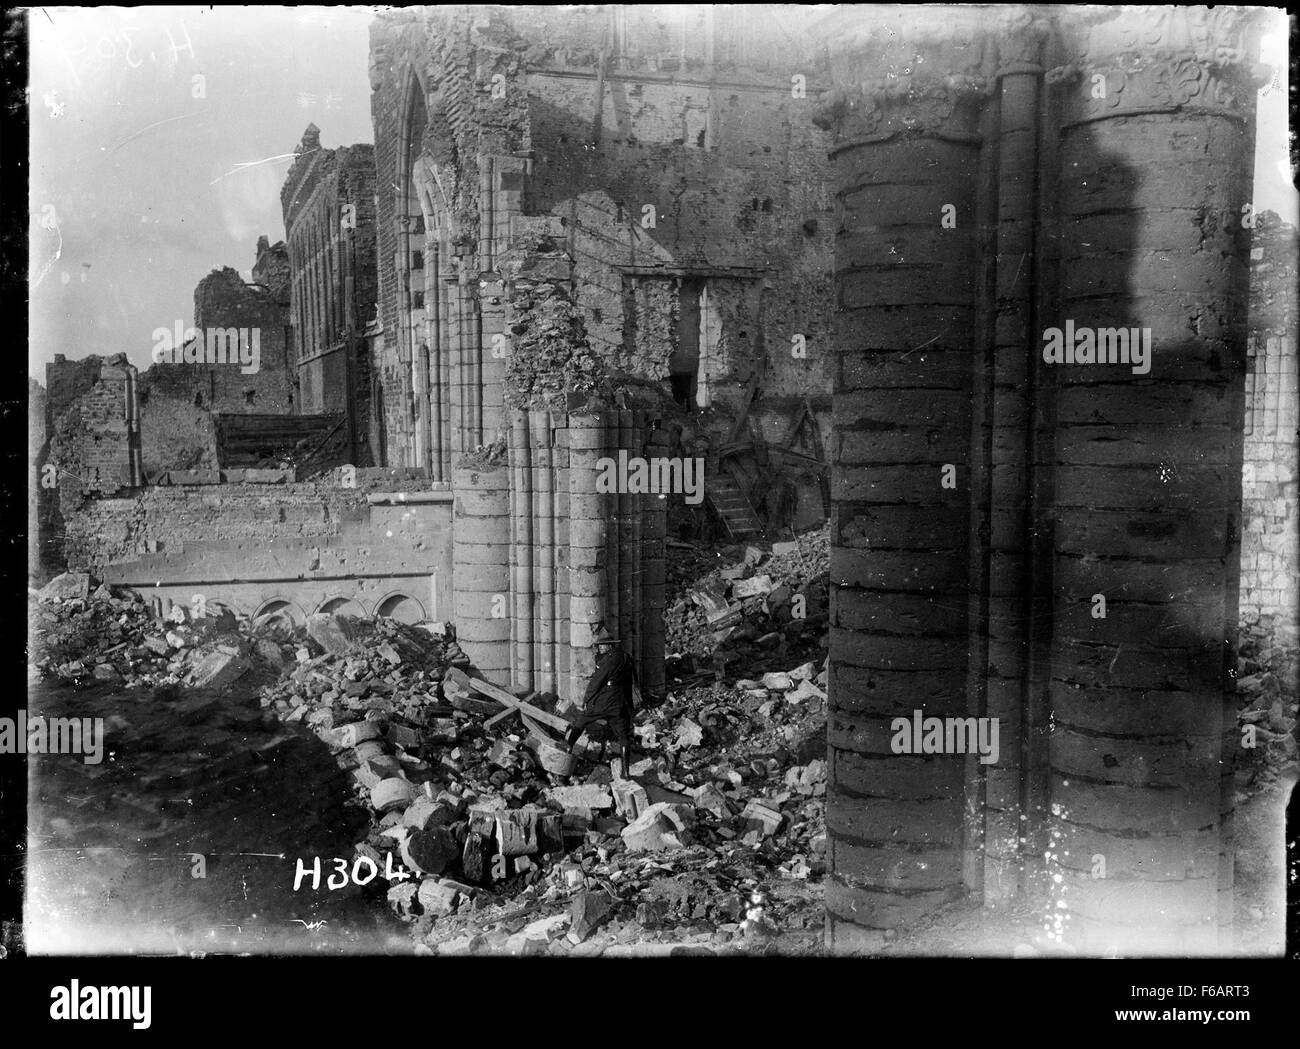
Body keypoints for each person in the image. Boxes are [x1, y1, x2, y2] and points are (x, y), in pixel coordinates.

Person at [564, 626, 637, 770]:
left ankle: (568, 746)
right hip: (619, 704)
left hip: (604, 701)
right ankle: (626, 771)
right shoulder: (625, 657)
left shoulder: (608, 660)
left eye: (602, 645)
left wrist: (586, 700)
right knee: (624, 737)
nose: (600, 648)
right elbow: (631, 683)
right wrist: (629, 706)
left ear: (610, 645)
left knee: (582, 719)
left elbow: (596, 682)